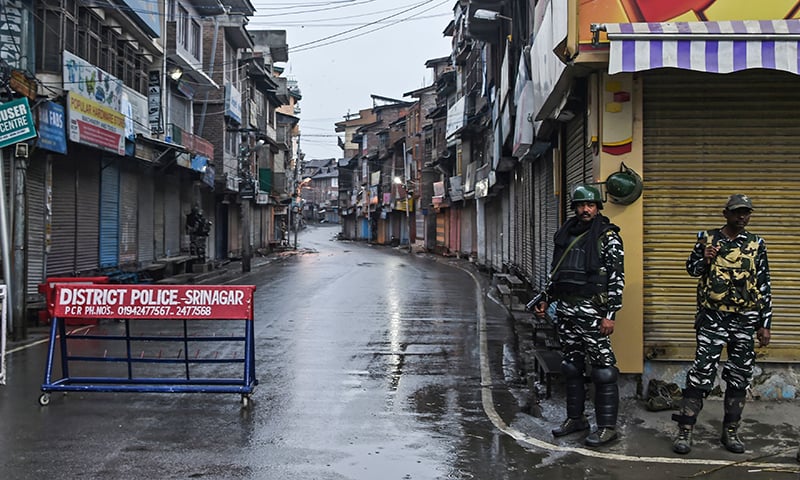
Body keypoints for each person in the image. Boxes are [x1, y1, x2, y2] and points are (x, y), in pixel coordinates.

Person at [672, 193, 772, 455]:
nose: (742, 217)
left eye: (746, 212)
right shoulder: (707, 239)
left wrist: (765, 323)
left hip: (745, 319)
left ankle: (731, 431)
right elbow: (691, 270)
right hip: (712, 317)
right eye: (737, 212)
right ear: (725, 213)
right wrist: (704, 258)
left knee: (739, 376)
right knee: (701, 373)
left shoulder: (756, 244)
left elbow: (764, 285)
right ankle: (685, 429)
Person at [532, 184, 625, 447]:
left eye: (591, 205)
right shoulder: (565, 234)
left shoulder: (608, 237)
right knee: (571, 366)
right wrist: (546, 298)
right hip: (566, 310)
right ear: (574, 208)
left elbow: (617, 279)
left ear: (597, 208)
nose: (586, 209)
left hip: (593, 312)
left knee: (604, 369)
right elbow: (557, 273)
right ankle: (576, 419)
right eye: (581, 205)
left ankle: (607, 427)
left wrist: (610, 314)